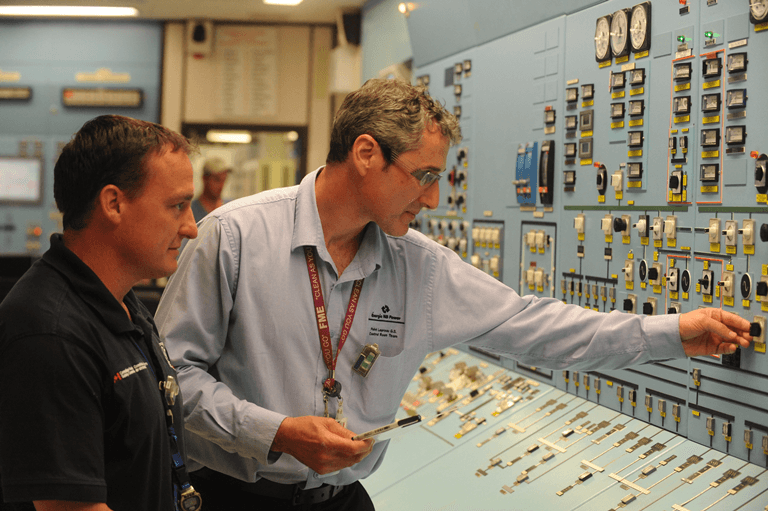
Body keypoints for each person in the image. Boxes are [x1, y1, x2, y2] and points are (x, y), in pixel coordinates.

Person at [154, 78, 752, 510]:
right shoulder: (233, 236)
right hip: (233, 495)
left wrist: (673, 332)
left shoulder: (421, 268)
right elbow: (171, 378)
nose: (434, 200)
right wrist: (276, 431)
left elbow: (535, 326)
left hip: (339, 499)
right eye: (424, 176)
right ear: (366, 154)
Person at [0, 115, 201, 511]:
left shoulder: (122, 305)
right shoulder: (50, 333)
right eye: (177, 206)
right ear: (113, 204)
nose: (191, 228)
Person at [191, 157, 231, 222]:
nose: (221, 185)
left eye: (224, 179)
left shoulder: (230, 208)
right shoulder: (191, 211)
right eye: (217, 179)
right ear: (205, 178)